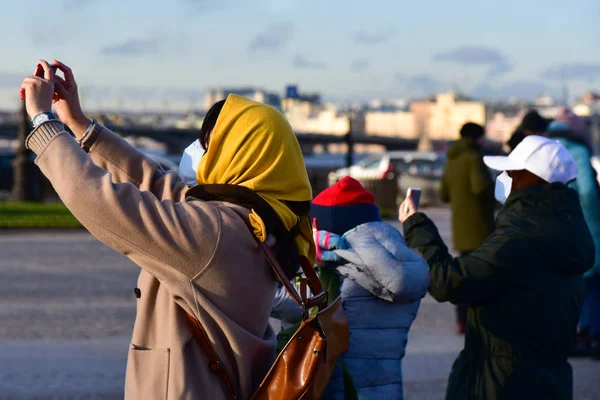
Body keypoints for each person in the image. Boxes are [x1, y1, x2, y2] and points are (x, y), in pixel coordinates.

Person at [19, 60, 316, 399]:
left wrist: (44, 123)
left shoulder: (215, 235)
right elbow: (159, 185)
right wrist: (79, 124)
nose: (198, 153)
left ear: (239, 156)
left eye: (207, 145)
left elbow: (99, 200)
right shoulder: (256, 225)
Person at [400, 135, 595, 399]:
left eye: (509, 172)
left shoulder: (517, 239)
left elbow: (447, 282)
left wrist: (417, 225)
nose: (503, 177)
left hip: (501, 382)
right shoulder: (570, 231)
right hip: (551, 380)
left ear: (525, 179)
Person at [271, 177, 430, 399]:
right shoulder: (401, 265)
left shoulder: (329, 276)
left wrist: (298, 258)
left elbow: (271, 300)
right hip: (386, 391)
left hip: (337, 391)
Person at [545, 108, 600, 359]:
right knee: (591, 282)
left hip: (553, 227)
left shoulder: (544, 151)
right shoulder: (577, 151)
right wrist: (595, 219)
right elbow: (588, 192)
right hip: (585, 225)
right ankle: (589, 333)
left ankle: (570, 333)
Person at [439, 122, 495, 334]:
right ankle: (479, 321)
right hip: (480, 227)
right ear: (477, 138)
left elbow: (444, 194)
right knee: (482, 276)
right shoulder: (474, 158)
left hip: (460, 230)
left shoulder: (451, 160)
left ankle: (461, 321)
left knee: (464, 276)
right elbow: (480, 187)